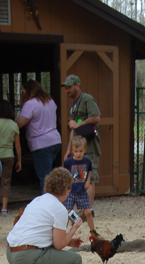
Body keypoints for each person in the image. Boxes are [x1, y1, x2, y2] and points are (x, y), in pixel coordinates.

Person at [6, 167, 83, 264]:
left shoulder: (38, 200)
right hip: (26, 257)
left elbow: (43, 236)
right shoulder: (59, 209)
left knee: (43, 249)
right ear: (66, 190)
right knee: (76, 260)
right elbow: (58, 245)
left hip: (11, 253)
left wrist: (70, 241)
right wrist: (73, 228)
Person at [62, 75, 101, 210]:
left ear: (77, 86)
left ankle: (88, 210)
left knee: (89, 179)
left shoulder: (87, 99)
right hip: (78, 148)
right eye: (65, 88)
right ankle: (83, 209)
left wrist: (79, 124)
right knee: (79, 178)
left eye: (69, 87)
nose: (67, 90)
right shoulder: (74, 104)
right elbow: (73, 129)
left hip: (89, 147)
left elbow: (96, 117)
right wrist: (68, 150)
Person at [17, 79, 62, 191]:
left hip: (41, 144)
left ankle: (46, 203)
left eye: (23, 92)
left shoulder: (30, 104)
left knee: (44, 177)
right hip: (55, 140)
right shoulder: (50, 101)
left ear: (28, 91)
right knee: (49, 174)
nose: (23, 95)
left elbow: (19, 124)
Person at [63, 135, 95, 232]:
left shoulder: (87, 161)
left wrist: (88, 180)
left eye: (81, 151)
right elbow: (63, 173)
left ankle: (93, 231)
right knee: (67, 213)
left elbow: (89, 170)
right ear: (72, 150)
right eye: (76, 151)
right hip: (71, 191)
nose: (78, 154)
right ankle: (63, 232)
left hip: (81, 190)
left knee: (88, 212)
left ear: (85, 149)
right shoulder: (68, 162)